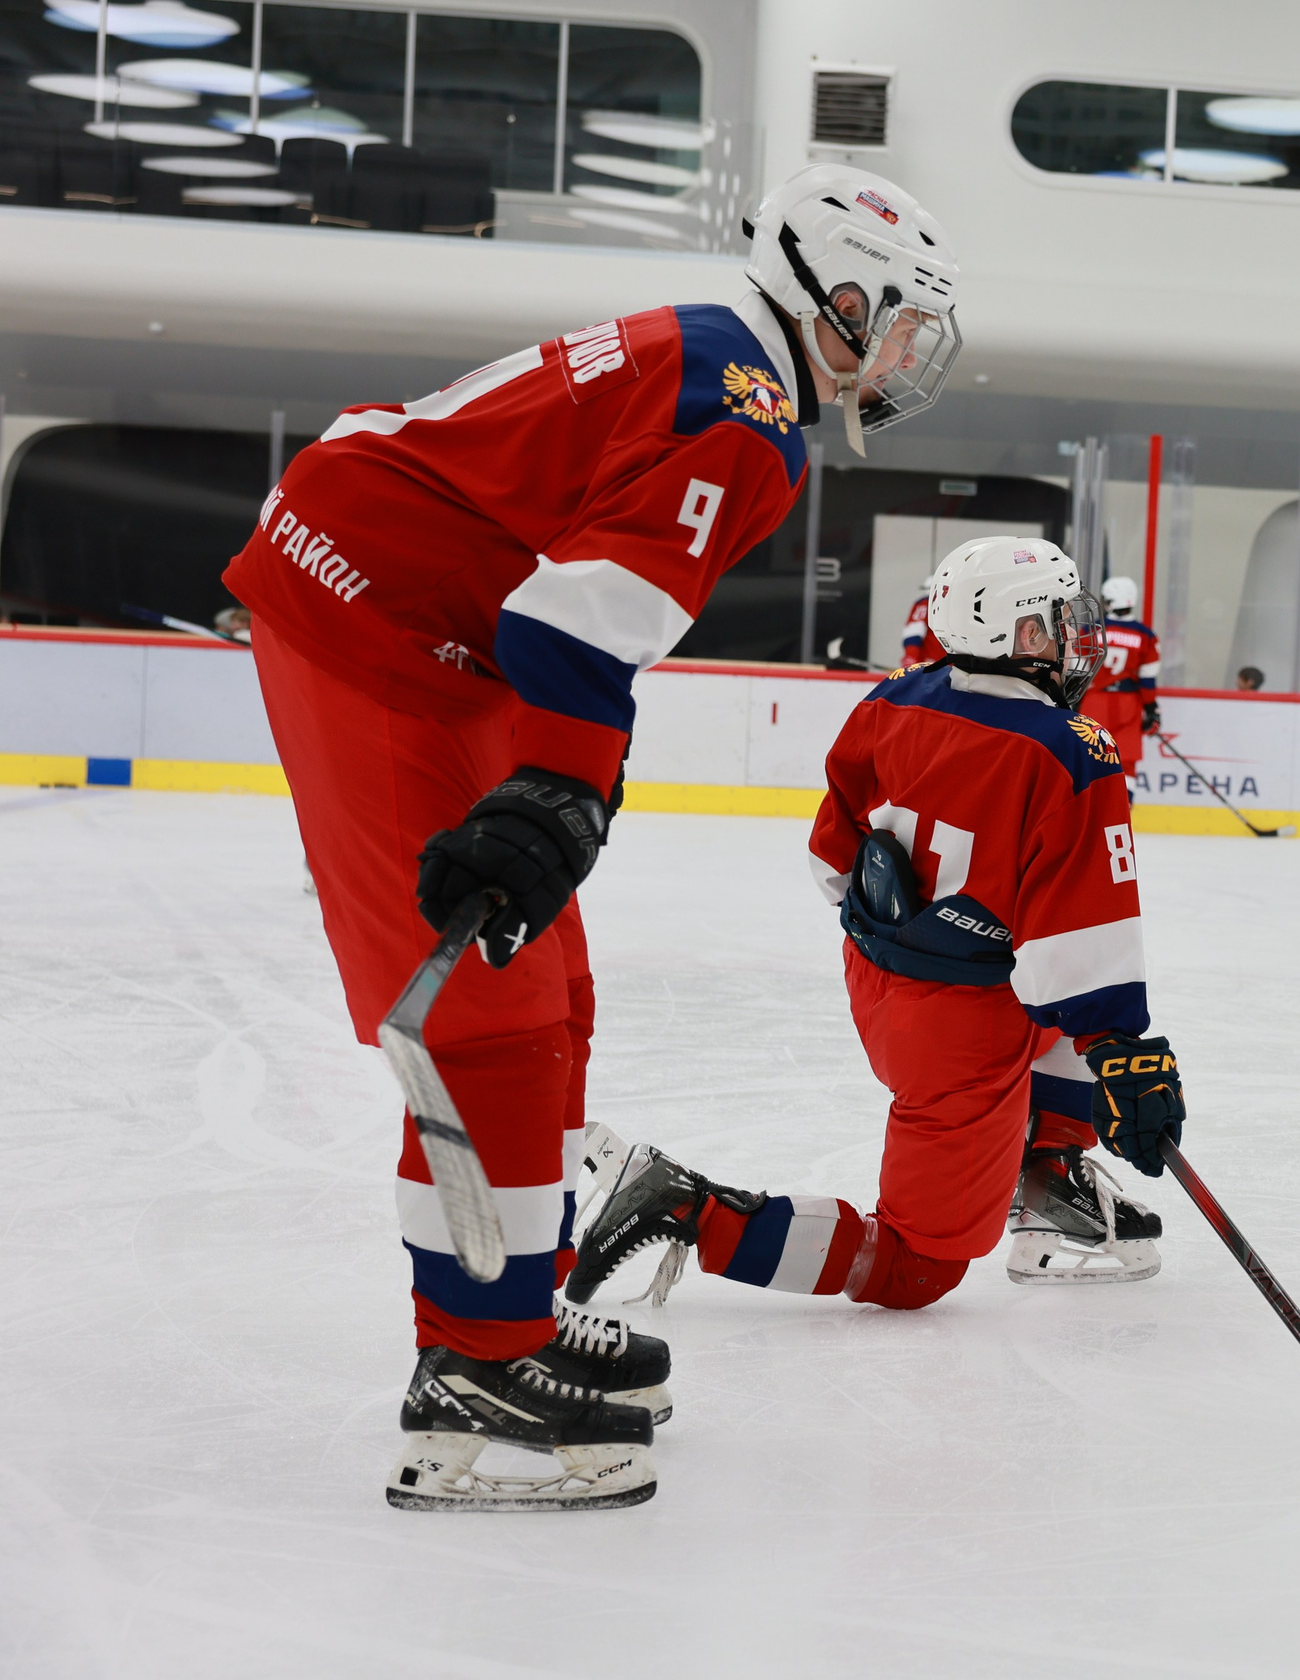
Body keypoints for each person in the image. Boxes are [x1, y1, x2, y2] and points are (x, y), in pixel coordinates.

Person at [217, 162, 962, 1510]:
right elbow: (573, 622)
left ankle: (512, 1304)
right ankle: (474, 1360)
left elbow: (563, 601)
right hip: (378, 619)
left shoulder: (720, 353)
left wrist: (568, 784)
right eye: (899, 321)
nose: (905, 356)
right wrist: (559, 787)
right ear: (837, 296)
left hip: (421, 619)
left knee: (553, 995)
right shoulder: (747, 413)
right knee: (487, 1018)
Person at [568, 536, 1184, 1322]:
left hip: (880, 985)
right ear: (1023, 632)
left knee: (1062, 1007)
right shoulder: (1072, 752)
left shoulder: (895, 696)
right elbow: (1081, 942)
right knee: (918, 1266)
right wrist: (1123, 1051)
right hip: (961, 1033)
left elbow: (833, 860)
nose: (1074, 636)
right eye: (1058, 619)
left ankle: (1047, 1177)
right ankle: (687, 1207)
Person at [1088, 574, 1159, 771]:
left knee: (1089, 760)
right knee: (1124, 764)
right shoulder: (1146, 636)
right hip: (1128, 705)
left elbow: (1076, 671)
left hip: (1094, 703)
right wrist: (1151, 710)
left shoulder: (1090, 630)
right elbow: (1147, 680)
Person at [900, 577, 947, 668]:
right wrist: (911, 657)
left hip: (942, 665)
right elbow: (913, 634)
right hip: (929, 664)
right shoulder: (925, 603)